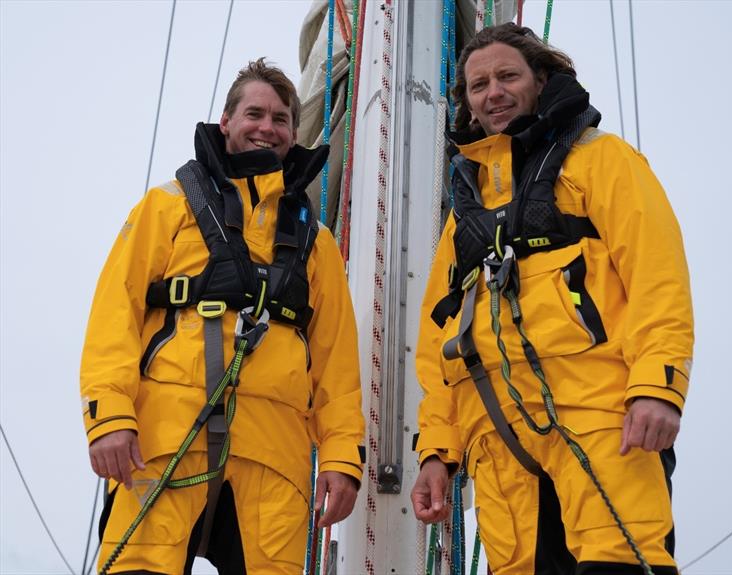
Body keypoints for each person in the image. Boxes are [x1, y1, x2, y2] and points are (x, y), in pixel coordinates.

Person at [411, 23, 693, 575]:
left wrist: (659, 387)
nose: (492, 92)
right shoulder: (462, 217)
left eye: (507, 76)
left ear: (540, 80)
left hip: (602, 421)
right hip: (498, 447)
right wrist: (436, 453)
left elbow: (658, 279)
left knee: (622, 564)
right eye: (478, 84)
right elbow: (437, 344)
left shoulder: (600, 160)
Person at [80, 58, 365, 574]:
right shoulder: (166, 207)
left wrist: (343, 457)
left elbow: (337, 364)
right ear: (226, 121)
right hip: (163, 445)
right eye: (254, 113)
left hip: (275, 462)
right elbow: (114, 314)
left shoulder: (315, 241)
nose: (267, 127)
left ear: (293, 132)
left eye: (281, 118)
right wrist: (108, 419)